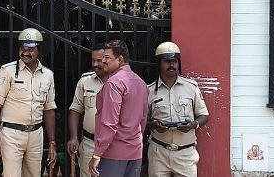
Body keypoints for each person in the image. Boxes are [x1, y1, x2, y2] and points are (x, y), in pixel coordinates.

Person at [0, 28, 58, 177]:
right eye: (23, 49)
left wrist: (52, 142)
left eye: (30, 49)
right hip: (11, 134)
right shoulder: (7, 71)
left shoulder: (47, 75)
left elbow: (49, 110)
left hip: (36, 135)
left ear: (39, 50)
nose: (25, 53)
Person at [146, 42, 209, 177]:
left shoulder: (191, 87)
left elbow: (204, 115)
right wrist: (154, 126)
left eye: (174, 61)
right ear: (159, 64)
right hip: (158, 153)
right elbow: (141, 122)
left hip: (186, 154)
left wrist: (193, 124)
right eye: (167, 61)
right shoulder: (149, 91)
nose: (171, 65)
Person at [87, 39, 148, 177]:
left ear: (120, 59)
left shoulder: (114, 83)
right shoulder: (141, 83)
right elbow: (143, 120)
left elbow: (109, 123)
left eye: (107, 57)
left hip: (114, 153)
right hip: (135, 152)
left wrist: (97, 154)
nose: (103, 61)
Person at [67, 44, 110, 177]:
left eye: (99, 60)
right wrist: (74, 137)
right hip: (90, 143)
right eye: (93, 60)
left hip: (114, 145)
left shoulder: (121, 81)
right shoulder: (85, 81)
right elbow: (75, 110)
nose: (95, 64)